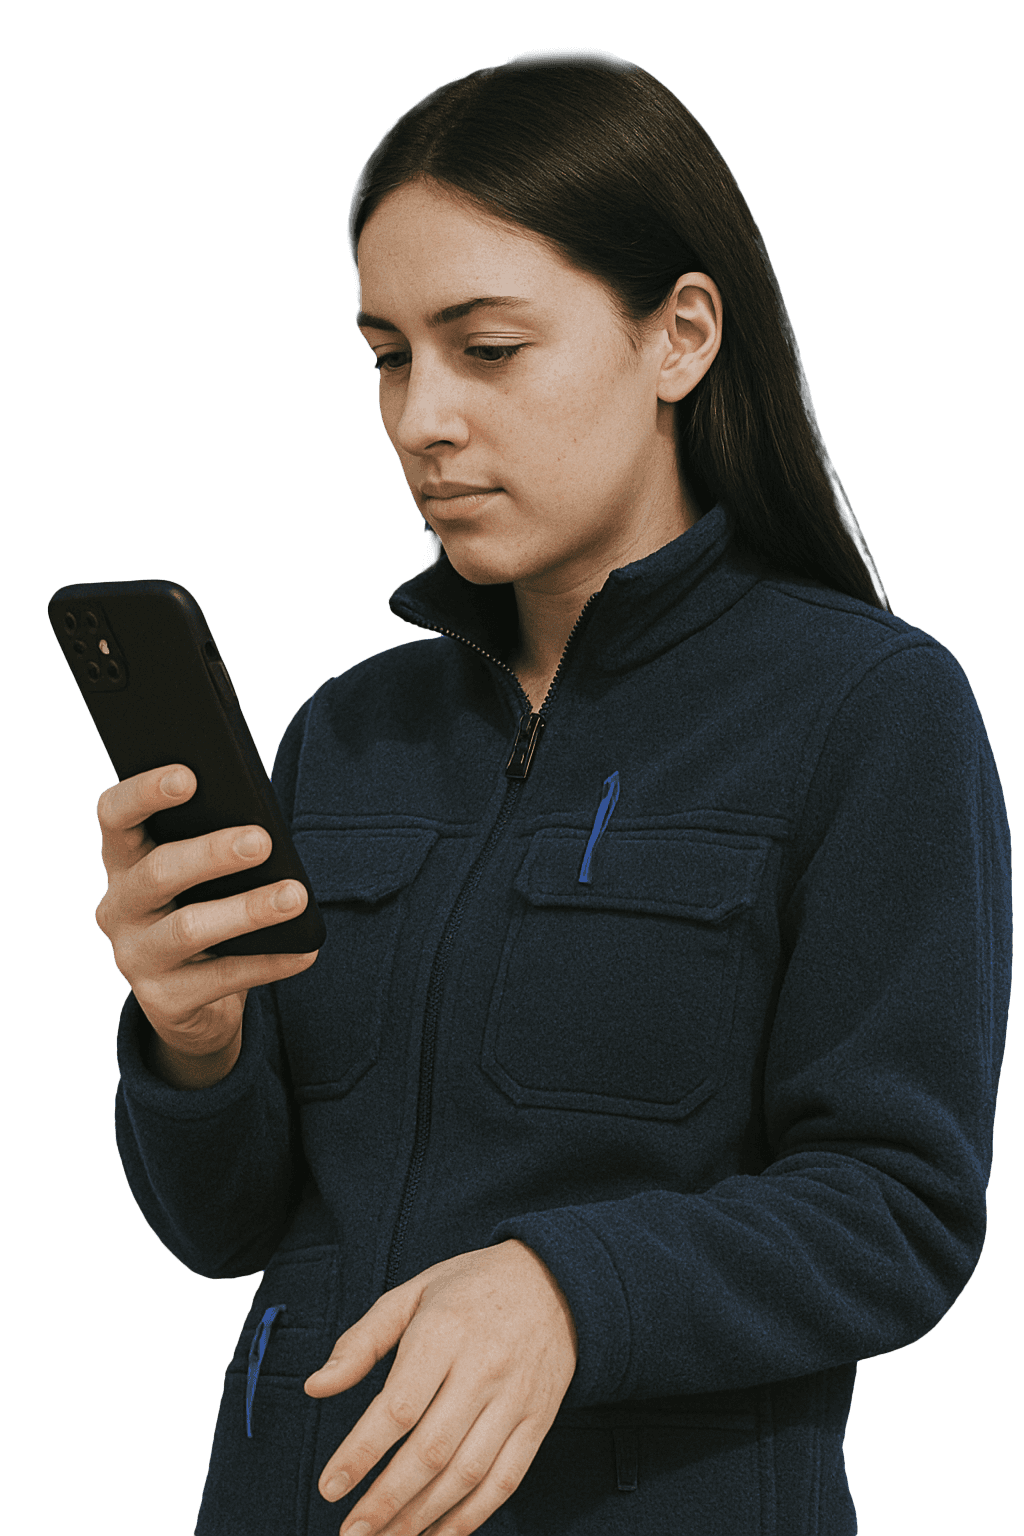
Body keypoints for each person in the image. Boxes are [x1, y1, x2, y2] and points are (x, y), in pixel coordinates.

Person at [97, 51, 1011, 1536]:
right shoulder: (349, 731)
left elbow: (897, 1209)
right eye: (389, 356)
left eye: (488, 349)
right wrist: (193, 1044)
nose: (421, 418)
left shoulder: (871, 710)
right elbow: (229, 1227)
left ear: (680, 336)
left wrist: (567, 1290)